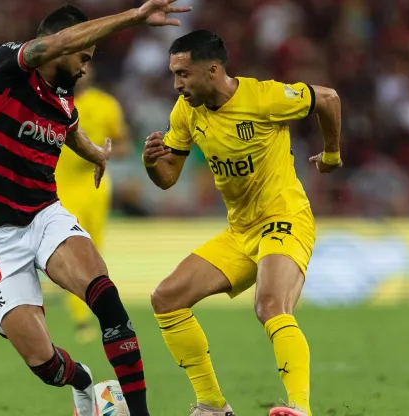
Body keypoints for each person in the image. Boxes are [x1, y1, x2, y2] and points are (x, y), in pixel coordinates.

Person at [0, 2, 190, 415]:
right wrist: (135, 18)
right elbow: (62, 42)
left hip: (43, 215)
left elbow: (69, 131)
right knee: (43, 363)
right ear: (63, 47)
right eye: (84, 56)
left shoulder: (64, 100)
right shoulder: (6, 66)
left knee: (106, 298)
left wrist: (96, 155)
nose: (85, 67)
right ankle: (84, 382)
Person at [142, 30, 342, 416]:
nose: (176, 84)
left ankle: (299, 408)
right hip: (240, 232)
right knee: (166, 298)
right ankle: (213, 406)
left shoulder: (264, 97)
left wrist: (331, 153)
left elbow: (329, 98)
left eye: (183, 74)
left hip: (284, 219)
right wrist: (153, 164)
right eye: (173, 74)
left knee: (270, 305)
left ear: (213, 70)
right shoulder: (186, 112)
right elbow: (168, 178)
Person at [55, 63, 131, 344]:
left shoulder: (106, 105)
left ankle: (98, 315)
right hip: (62, 189)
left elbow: (123, 143)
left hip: (97, 190)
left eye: (87, 65)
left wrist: (104, 152)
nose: (83, 71)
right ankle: (81, 320)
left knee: (94, 255)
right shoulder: (52, 101)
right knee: (73, 253)